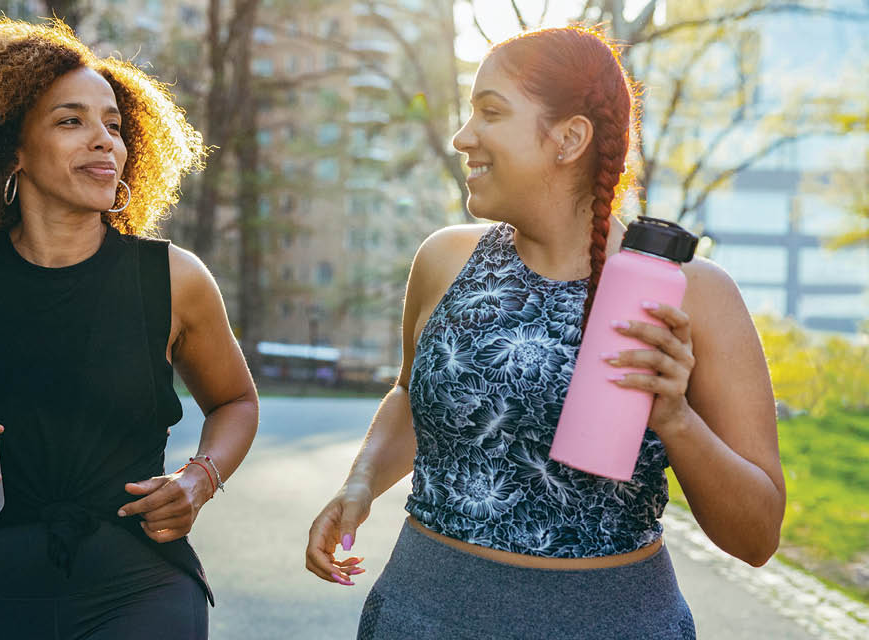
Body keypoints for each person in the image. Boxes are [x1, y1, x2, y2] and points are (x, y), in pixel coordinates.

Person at [305, 26, 785, 639]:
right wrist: (361, 481)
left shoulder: (693, 291)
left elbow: (757, 536)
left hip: (613, 624)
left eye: (491, 112)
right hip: (422, 614)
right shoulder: (445, 259)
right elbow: (409, 394)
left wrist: (675, 420)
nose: (462, 137)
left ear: (570, 138)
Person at [0, 18, 258, 639]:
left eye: (113, 125)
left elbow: (236, 401)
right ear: (12, 150)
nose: (104, 141)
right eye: (71, 121)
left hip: (141, 584)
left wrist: (201, 478)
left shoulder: (175, 278)